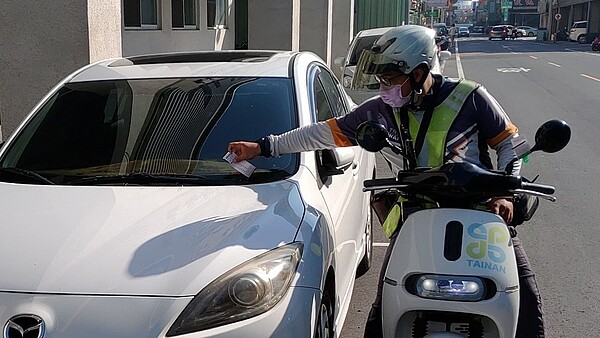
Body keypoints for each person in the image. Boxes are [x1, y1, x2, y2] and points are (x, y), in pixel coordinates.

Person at [227, 25, 545, 338]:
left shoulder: (470, 98)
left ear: (419, 73)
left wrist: (504, 193)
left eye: (391, 80)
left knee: (521, 293)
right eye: (381, 80)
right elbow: (321, 133)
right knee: (388, 302)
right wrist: (264, 146)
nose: (384, 87)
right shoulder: (379, 111)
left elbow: (510, 145)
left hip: (480, 215)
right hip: (419, 219)